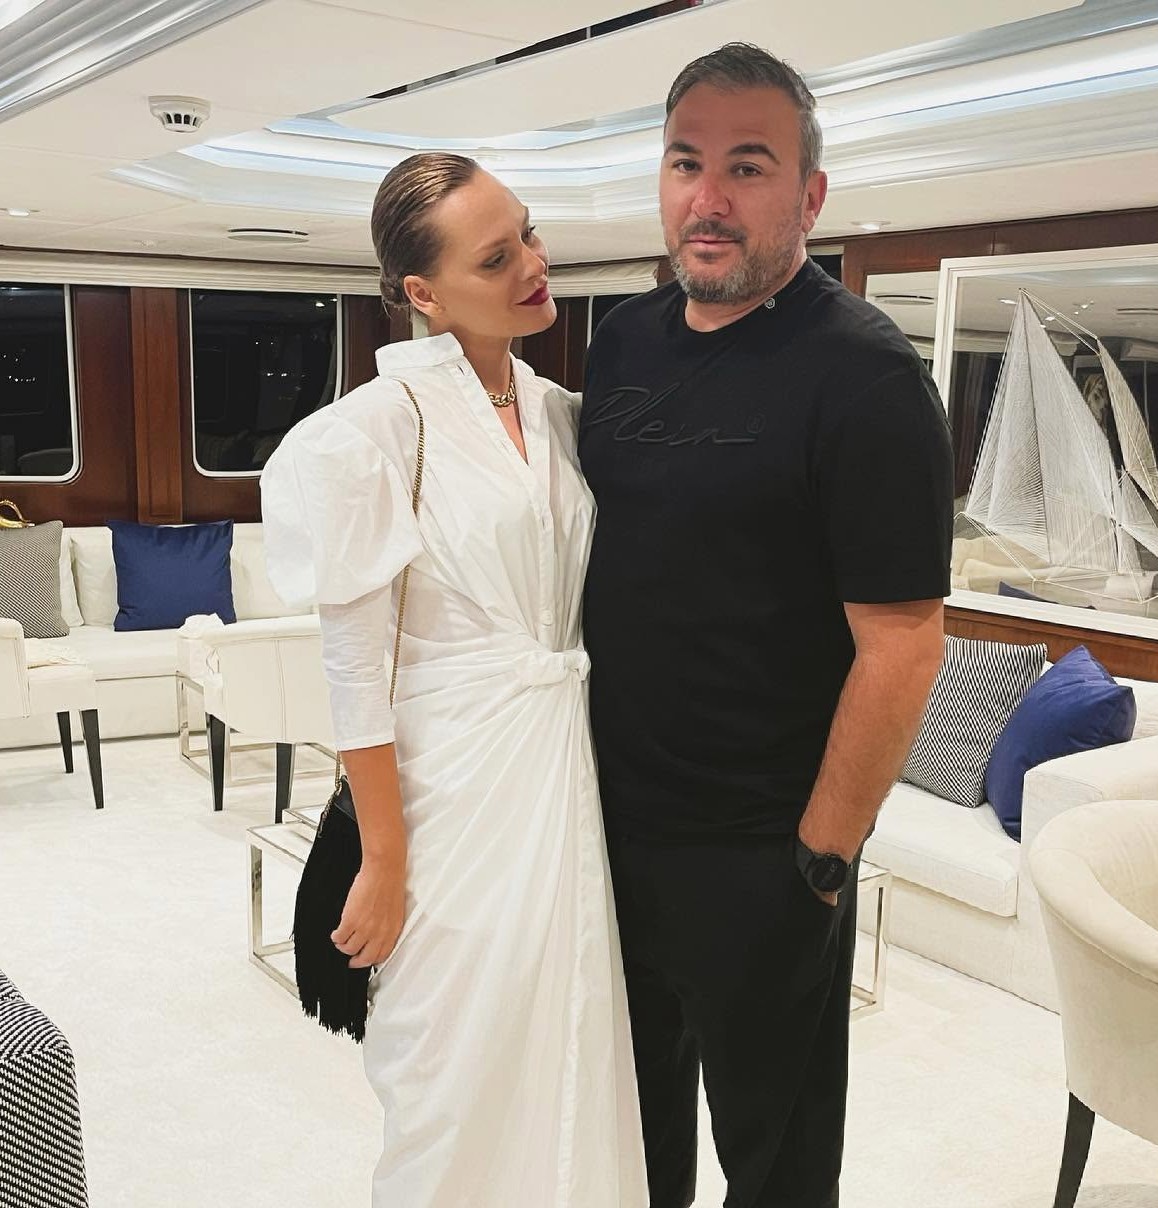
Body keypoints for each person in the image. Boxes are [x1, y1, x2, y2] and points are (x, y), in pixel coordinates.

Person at [578, 43, 954, 1208]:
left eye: (746, 166)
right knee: (624, 1151)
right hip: (602, 833)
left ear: (808, 194)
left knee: (776, 1173)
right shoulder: (622, 341)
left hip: (761, 855)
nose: (707, 196)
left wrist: (818, 861)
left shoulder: (865, 377)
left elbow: (903, 641)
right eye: (684, 162)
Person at [260, 152, 646, 1208]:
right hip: (450, 786)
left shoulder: (560, 411)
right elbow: (355, 668)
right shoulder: (370, 434)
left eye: (528, 232)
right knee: (451, 1062)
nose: (532, 264)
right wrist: (383, 855)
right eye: (495, 257)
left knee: (571, 1035)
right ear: (421, 292)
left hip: (563, 762)